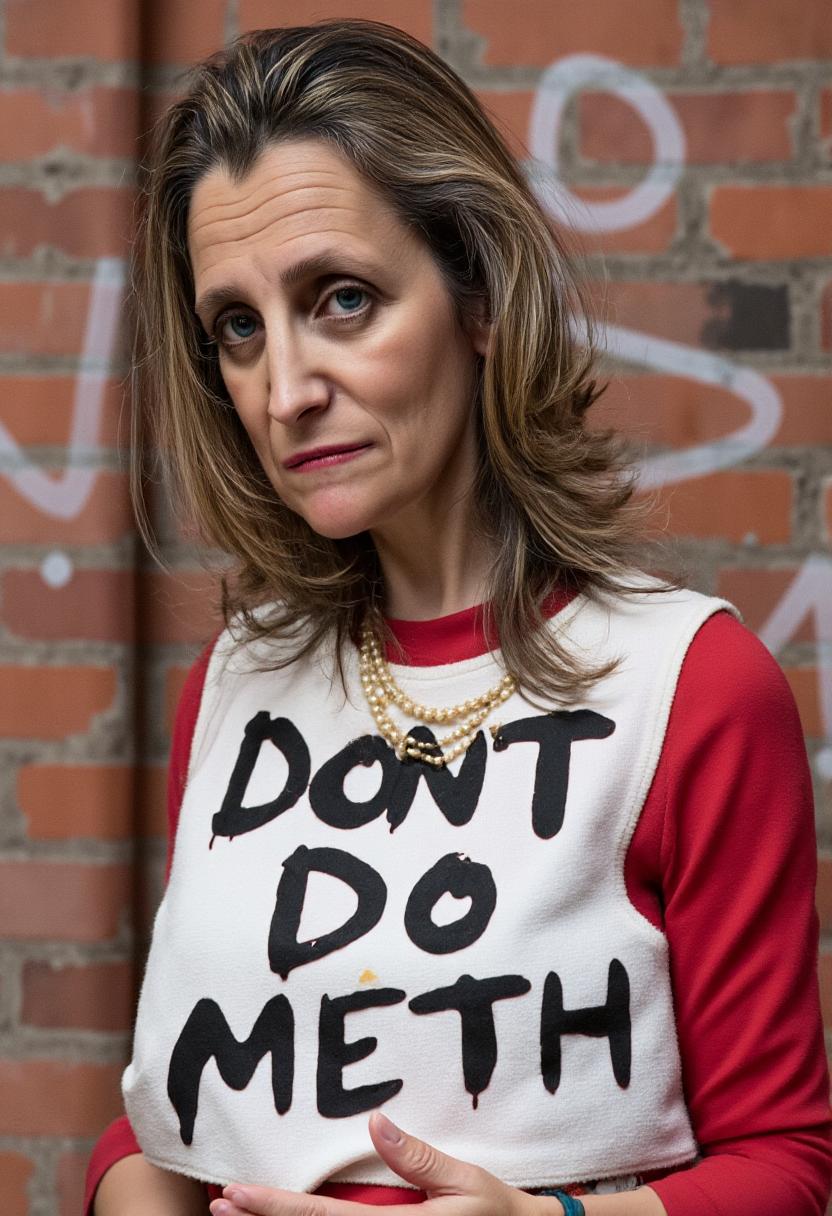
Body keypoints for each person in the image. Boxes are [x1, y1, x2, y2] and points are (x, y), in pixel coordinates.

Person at [85, 19, 831, 1216]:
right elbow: (187, 1099)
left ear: (477, 295)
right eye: (238, 325)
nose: (284, 391)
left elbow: (786, 1166)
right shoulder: (233, 687)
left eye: (341, 299)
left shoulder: (688, 687)